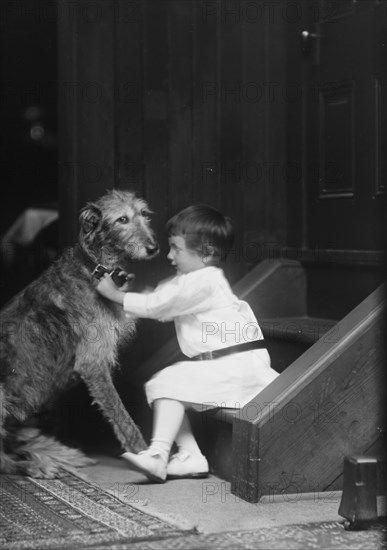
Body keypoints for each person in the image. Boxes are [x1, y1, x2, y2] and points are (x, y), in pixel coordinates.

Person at [96, 204, 279, 482]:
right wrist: (126, 295)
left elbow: (159, 305)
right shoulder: (192, 279)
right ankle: (190, 455)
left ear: (205, 253)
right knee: (164, 384)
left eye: (176, 249)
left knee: (167, 382)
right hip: (225, 365)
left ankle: (159, 454)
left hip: (238, 367)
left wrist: (114, 295)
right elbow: (160, 298)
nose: (169, 255)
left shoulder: (206, 281)